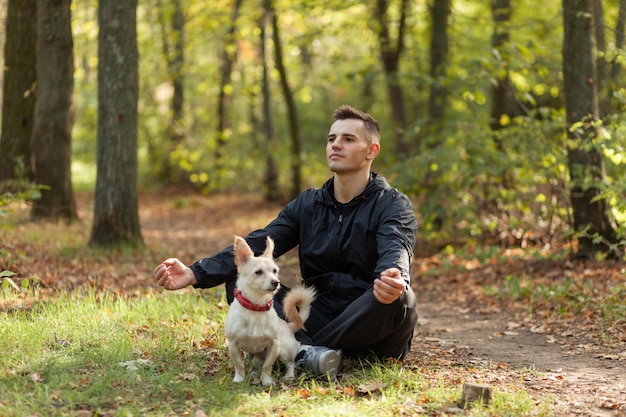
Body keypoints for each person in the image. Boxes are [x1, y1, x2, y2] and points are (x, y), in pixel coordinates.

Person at [153, 104, 418, 376]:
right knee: (242, 278)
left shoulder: (392, 205)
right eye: (331, 139)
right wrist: (195, 272)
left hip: (370, 323)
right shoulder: (308, 204)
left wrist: (394, 277)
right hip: (317, 312)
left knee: (401, 297)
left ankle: (303, 350)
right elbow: (259, 243)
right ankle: (311, 353)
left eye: (348, 139)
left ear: (371, 151)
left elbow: (396, 247)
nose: (335, 145)